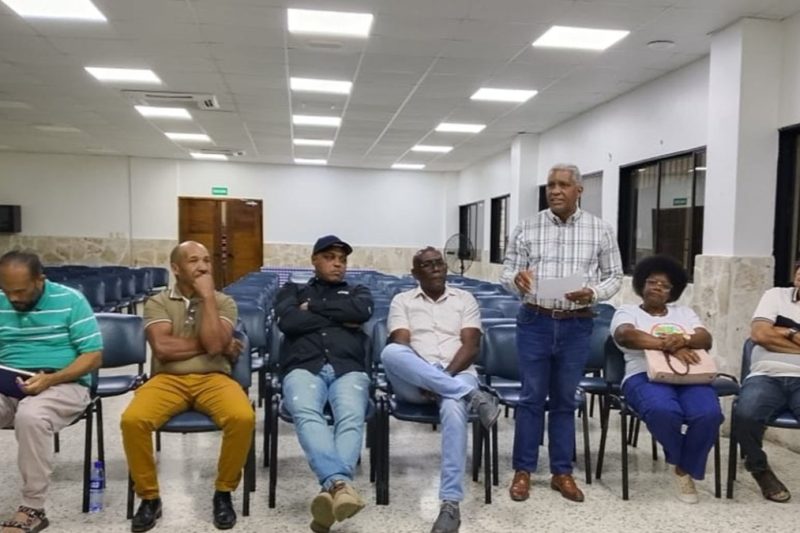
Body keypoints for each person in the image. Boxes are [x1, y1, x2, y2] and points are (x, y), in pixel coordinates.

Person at [500, 163, 623, 503]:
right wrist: (516, 280)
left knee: (565, 400)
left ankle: (562, 472)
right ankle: (523, 470)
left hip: (577, 324)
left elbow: (615, 276)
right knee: (531, 398)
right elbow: (506, 273)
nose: (555, 191)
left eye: (563, 185)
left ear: (579, 190)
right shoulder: (527, 227)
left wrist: (593, 293)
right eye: (550, 185)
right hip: (535, 321)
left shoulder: (600, 230)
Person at [120, 241, 254, 532]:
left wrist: (207, 298)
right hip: (167, 379)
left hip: (215, 378)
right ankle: (149, 497)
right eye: (194, 261)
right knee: (133, 420)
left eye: (206, 260)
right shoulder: (157, 302)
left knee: (243, 418)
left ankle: (223, 493)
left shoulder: (224, 302)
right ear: (176, 268)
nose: (203, 267)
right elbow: (164, 349)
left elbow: (214, 343)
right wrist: (215, 346)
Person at [381, 247, 500, 533]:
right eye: (427, 265)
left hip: (457, 373)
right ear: (415, 273)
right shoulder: (402, 301)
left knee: (453, 405)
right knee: (390, 352)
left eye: (439, 263)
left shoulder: (465, 299)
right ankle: (474, 397)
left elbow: (471, 346)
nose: (436, 268)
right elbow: (401, 342)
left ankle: (450, 504)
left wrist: (441, 379)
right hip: (415, 382)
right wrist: (427, 378)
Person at [274, 235, 373, 533]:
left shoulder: (358, 291)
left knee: (351, 417)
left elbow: (361, 312)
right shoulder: (292, 290)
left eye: (342, 259)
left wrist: (312, 308)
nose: (337, 264)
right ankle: (340, 486)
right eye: (330, 257)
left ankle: (331, 493)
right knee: (306, 413)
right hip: (303, 367)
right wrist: (339, 317)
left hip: (348, 368)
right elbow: (288, 322)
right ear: (314, 260)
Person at [0, 250, 102, 533]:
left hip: (64, 384)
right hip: (9, 385)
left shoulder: (71, 301)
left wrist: (51, 379)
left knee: (31, 416)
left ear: (40, 280)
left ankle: (33, 508)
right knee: (26, 410)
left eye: (20, 291)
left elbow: (93, 356)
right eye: (7, 291)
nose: (13, 298)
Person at [611, 255, 722, 503]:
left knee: (709, 414)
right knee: (663, 411)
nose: (657, 288)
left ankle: (682, 466)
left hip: (690, 375)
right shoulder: (627, 311)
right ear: (642, 284)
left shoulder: (684, 313)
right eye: (652, 282)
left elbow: (705, 339)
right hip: (643, 375)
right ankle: (685, 461)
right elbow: (626, 336)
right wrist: (671, 346)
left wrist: (685, 340)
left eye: (665, 285)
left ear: (673, 292)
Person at [732, 261, 800, 503]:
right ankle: (759, 468)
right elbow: (760, 334)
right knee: (746, 414)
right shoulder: (775, 296)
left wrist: (779, 331)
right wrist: (794, 333)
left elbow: (769, 335)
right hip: (766, 374)